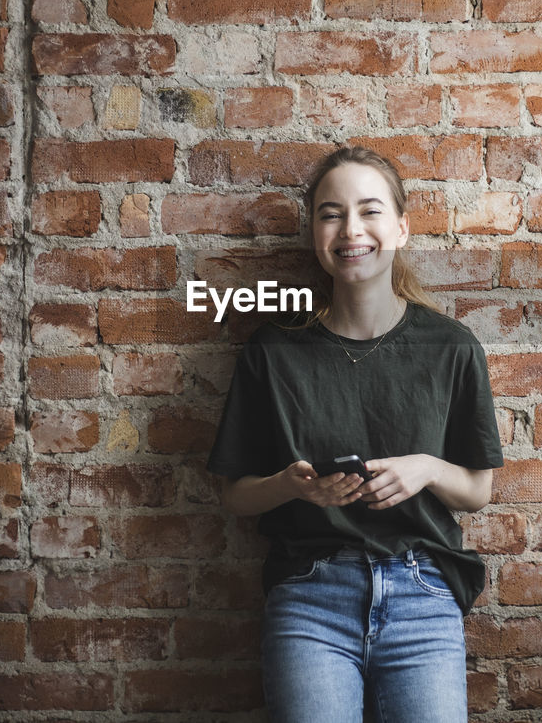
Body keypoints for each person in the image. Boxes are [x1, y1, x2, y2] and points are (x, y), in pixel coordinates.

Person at [207, 146, 504, 723]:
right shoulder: (272, 351)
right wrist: (292, 486)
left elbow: (478, 490)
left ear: (402, 227)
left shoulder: (453, 348)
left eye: (369, 211)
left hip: (423, 592)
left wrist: (428, 467)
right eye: (330, 213)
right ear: (315, 232)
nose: (351, 230)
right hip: (310, 598)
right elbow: (235, 496)